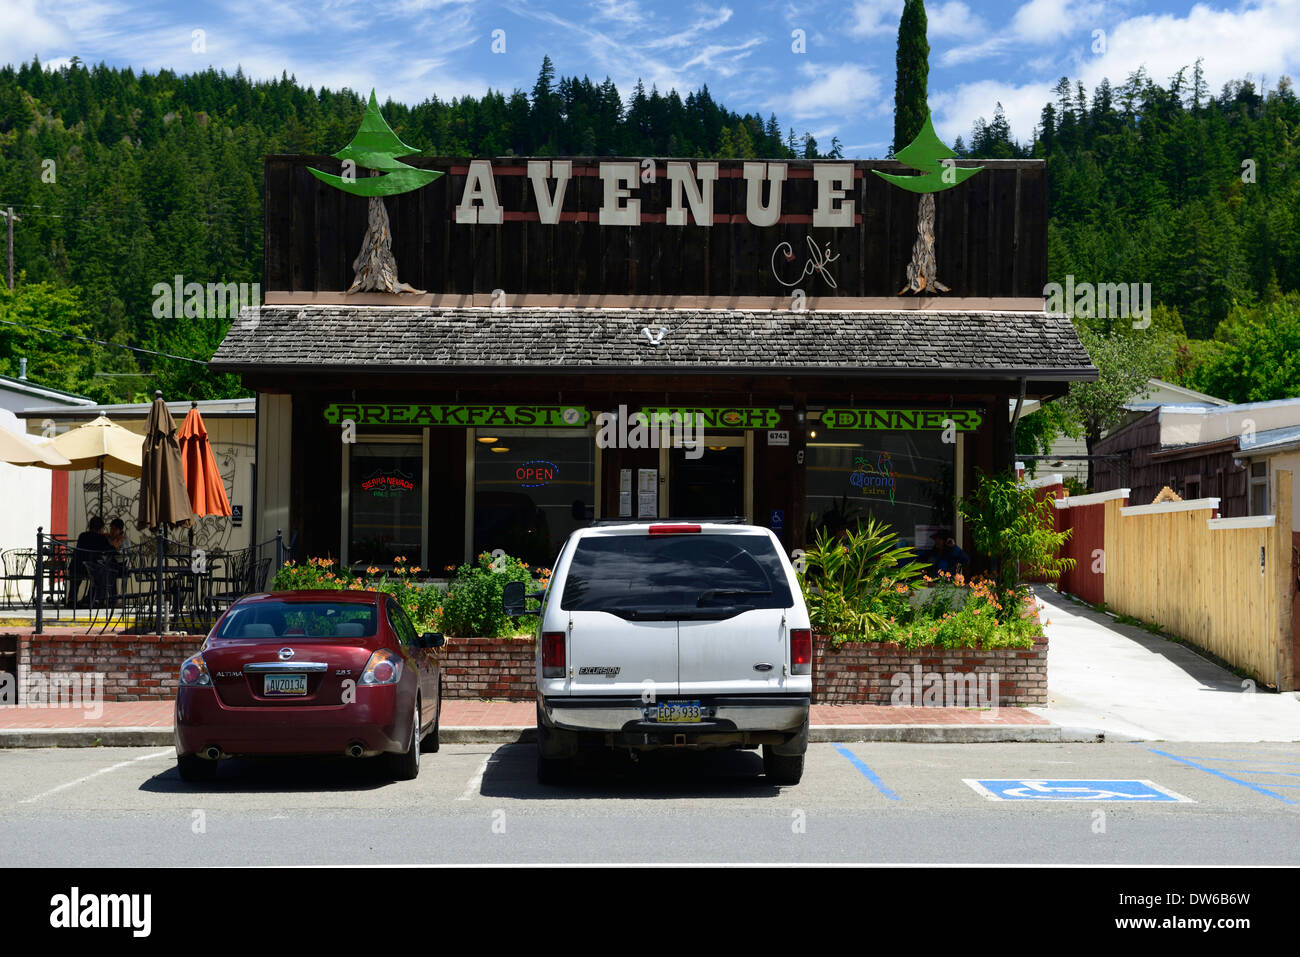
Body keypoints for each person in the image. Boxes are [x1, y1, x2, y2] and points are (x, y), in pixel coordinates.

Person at [73, 517, 118, 605]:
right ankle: (96, 598)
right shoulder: (101, 538)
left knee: (76, 577)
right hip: (92, 568)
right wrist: (114, 544)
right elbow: (110, 550)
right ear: (101, 528)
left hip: (78, 567)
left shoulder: (82, 536)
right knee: (105, 572)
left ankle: (72, 599)